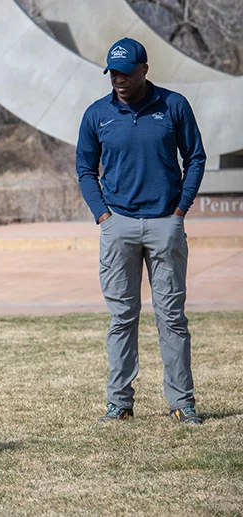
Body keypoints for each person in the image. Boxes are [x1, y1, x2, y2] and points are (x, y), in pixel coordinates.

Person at [76, 37, 206, 424]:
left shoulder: (174, 106)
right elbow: (85, 170)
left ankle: (182, 403)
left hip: (166, 224)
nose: (119, 80)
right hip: (118, 227)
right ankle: (119, 403)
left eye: (126, 73)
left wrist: (180, 211)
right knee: (122, 318)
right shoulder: (97, 114)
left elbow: (195, 157)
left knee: (172, 318)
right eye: (113, 73)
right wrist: (103, 216)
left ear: (144, 70)